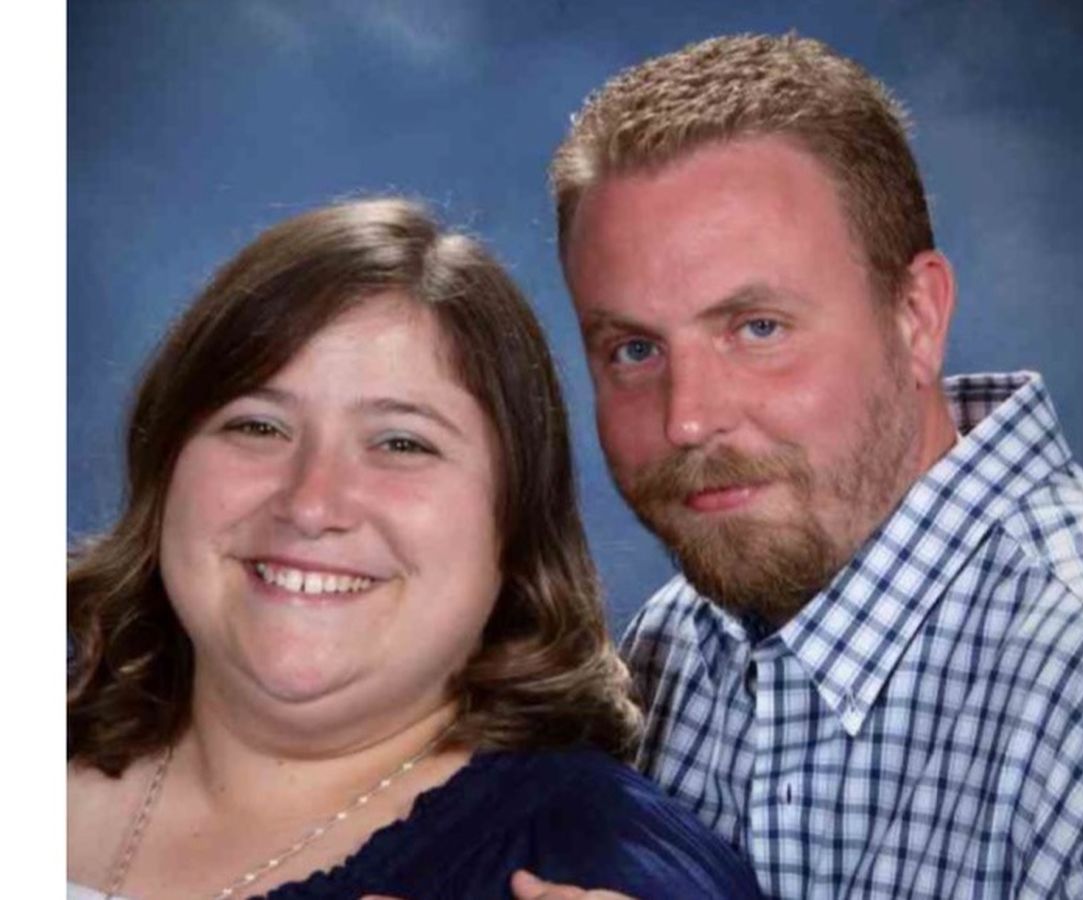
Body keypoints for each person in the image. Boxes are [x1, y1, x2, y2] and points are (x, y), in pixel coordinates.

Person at [520, 33, 1083, 900]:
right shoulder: (671, 643)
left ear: (917, 316)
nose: (689, 418)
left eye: (757, 328)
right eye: (635, 349)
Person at [67, 198, 762, 900]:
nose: (311, 504)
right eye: (258, 427)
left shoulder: (605, 865)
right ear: (165, 465)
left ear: (515, 524)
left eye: (401, 443)